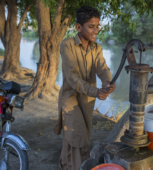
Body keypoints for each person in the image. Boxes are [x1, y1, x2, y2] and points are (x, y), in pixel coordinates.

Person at [54, 6, 116, 170]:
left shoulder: (97, 48)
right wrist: (96, 92)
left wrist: (107, 83)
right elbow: (72, 77)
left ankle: (65, 166)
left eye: (97, 26)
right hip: (70, 99)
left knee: (76, 138)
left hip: (87, 101)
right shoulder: (67, 45)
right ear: (78, 27)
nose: (95, 30)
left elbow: (102, 68)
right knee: (77, 137)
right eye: (91, 26)